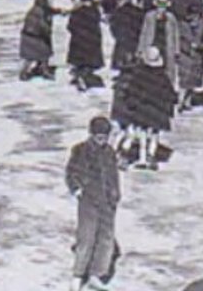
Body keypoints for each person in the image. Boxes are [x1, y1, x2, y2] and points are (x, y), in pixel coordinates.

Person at [66, 116, 121, 291]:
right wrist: (77, 189)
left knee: (106, 239)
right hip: (89, 200)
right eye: (98, 137)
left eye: (105, 137)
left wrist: (116, 194)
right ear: (91, 134)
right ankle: (77, 276)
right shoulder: (80, 150)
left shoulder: (110, 152)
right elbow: (71, 172)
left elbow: (113, 176)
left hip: (107, 201)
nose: (102, 140)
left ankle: (96, 275)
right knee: (86, 237)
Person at [125, 44, 177, 169]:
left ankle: (142, 158)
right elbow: (170, 93)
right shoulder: (162, 76)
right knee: (155, 133)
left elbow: (131, 91)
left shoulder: (139, 74)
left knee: (142, 133)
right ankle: (151, 155)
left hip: (142, 108)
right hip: (158, 109)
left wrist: (131, 103)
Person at [67, 0, 105, 91]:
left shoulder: (77, 11)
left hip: (78, 41)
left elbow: (70, 26)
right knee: (89, 61)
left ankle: (81, 76)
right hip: (93, 41)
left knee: (80, 61)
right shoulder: (95, 10)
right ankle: (86, 75)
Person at [19, 0, 57, 81]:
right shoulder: (39, 12)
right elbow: (41, 25)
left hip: (30, 37)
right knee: (43, 53)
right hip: (34, 37)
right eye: (50, 0)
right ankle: (43, 71)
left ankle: (33, 70)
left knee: (31, 57)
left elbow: (52, 11)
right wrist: (47, 31)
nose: (51, 2)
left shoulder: (39, 9)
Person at [109, 0, 144, 71]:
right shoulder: (138, 11)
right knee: (132, 59)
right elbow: (141, 25)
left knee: (121, 59)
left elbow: (112, 25)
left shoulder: (118, 11)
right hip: (133, 39)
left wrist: (116, 35)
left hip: (122, 39)